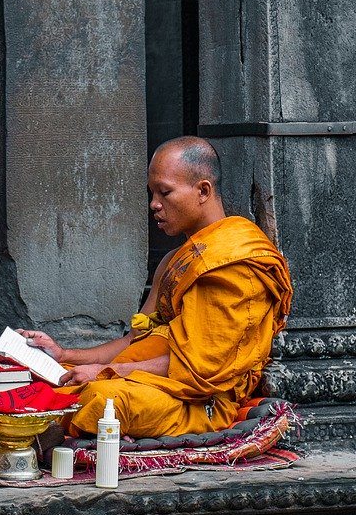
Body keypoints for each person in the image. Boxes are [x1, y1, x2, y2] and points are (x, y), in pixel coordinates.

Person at [18, 137, 292, 438]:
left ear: (203, 191)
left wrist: (106, 373)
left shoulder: (234, 262)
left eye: (165, 192)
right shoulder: (175, 261)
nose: (154, 205)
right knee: (40, 378)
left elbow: (201, 369)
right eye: (152, 193)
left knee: (101, 402)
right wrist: (63, 353)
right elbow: (133, 341)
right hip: (144, 378)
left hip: (197, 400)